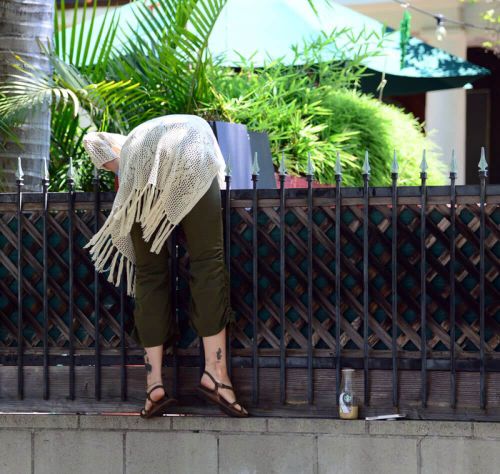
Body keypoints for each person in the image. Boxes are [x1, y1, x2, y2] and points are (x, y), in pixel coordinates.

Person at [82, 114, 248, 418]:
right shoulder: (186, 124)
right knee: (206, 262)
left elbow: (92, 141)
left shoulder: (132, 137)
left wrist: (122, 166)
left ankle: (154, 385)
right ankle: (215, 374)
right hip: (191, 150)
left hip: (138, 169)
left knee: (149, 273)